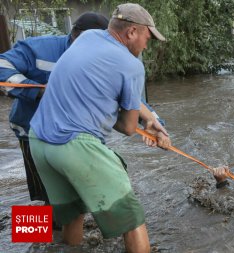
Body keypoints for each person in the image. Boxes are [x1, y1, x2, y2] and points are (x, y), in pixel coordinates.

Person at [29, 3, 169, 252]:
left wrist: (150, 116)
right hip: (60, 139)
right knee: (131, 215)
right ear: (131, 32)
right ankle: (26, 238)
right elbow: (126, 124)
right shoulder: (27, 49)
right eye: (147, 38)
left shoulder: (88, 37)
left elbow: (105, 86)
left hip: (35, 136)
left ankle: (37, 244)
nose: (148, 45)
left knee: (69, 212)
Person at [0, 12, 109, 204]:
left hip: (78, 137)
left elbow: (128, 98)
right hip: (32, 133)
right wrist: (37, 91)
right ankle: (33, 232)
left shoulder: (105, 58)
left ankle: (65, 230)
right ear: (75, 34)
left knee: (76, 197)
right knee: (41, 197)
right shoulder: (38, 48)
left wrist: (153, 122)